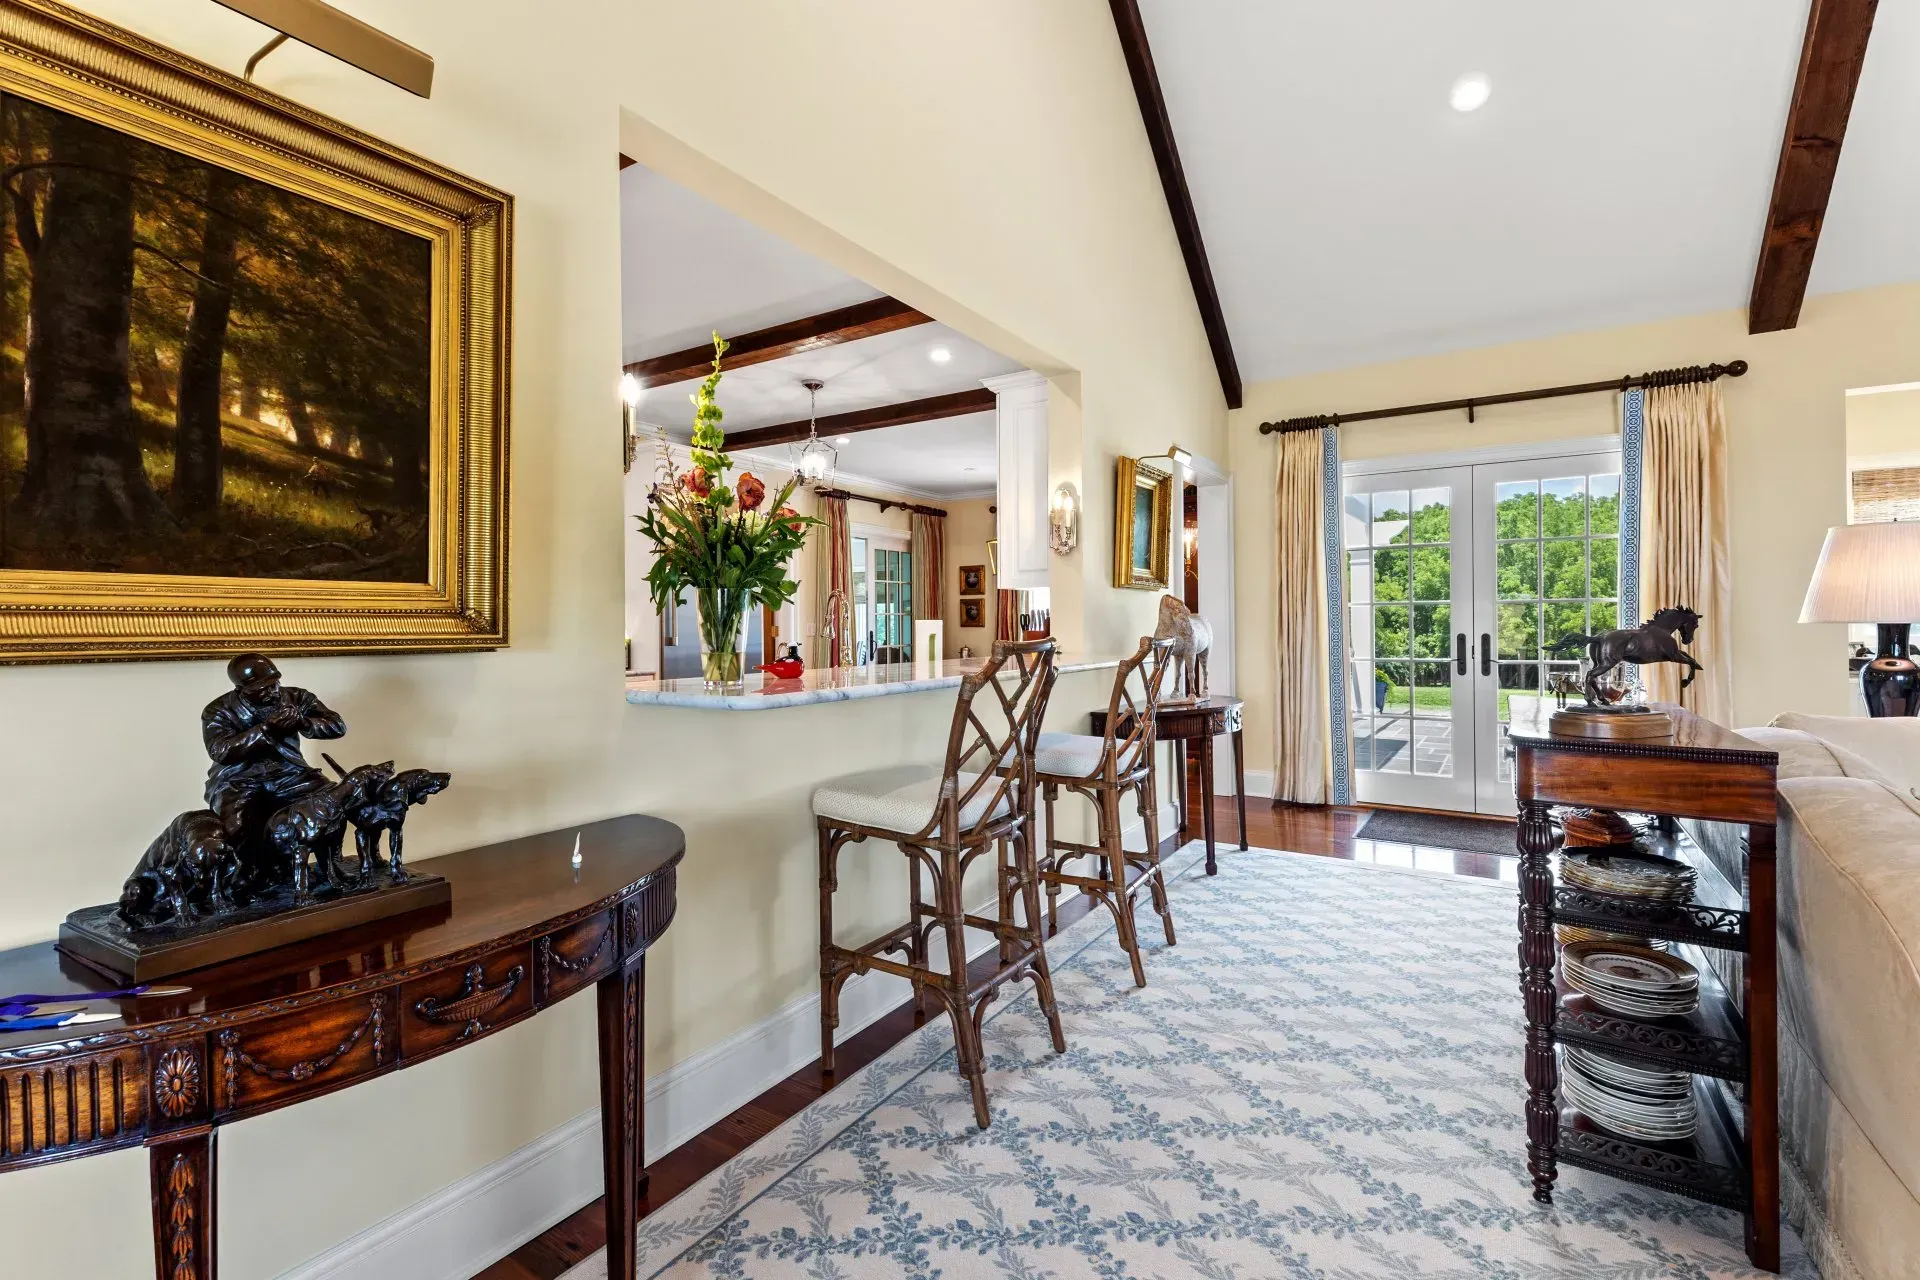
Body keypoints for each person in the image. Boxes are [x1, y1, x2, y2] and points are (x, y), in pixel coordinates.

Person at [202, 653, 346, 882]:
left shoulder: (296, 697)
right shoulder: (218, 710)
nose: (273, 691)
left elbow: (337, 726)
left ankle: (329, 863)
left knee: (333, 800)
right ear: (242, 690)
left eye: (274, 683)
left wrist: (304, 722)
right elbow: (221, 751)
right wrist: (267, 728)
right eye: (262, 688)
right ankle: (242, 877)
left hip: (289, 774)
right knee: (235, 824)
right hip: (239, 779)